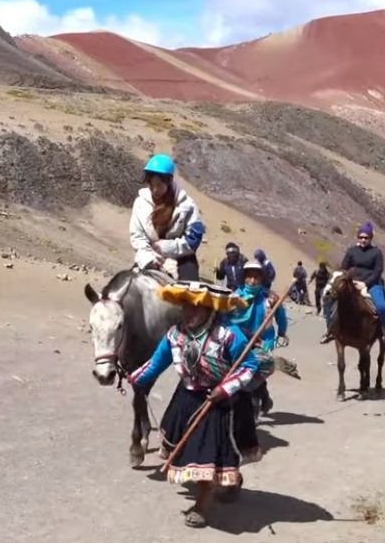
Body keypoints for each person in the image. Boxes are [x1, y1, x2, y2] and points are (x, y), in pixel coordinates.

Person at [127, 281, 260, 528]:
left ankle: (201, 505)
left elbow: (248, 366)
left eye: (197, 308)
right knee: (191, 449)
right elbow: (156, 363)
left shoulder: (229, 334)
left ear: (210, 309)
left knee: (206, 452)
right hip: (187, 398)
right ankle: (230, 480)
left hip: (221, 402)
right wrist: (134, 378)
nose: (189, 313)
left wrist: (224, 389)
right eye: (186, 307)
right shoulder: (175, 335)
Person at [227, 261, 288, 420]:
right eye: (249, 277)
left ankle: (253, 410)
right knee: (238, 372)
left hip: (263, 341)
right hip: (239, 340)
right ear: (244, 278)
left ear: (262, 279)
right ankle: (265, 398)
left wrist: (282, 332)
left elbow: (281, 316)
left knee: (256, 368)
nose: (253, 281)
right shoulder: (234, 297)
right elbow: (225, 319)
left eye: (256, 278)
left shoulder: (270, 298)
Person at [129, 154, 205, 281]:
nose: (155, 190)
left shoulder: (187, 205)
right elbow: (137, 236)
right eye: (151, 185)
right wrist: (148, 259)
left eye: (159, 185)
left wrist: (165, 247)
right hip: (150, 255)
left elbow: (194, 239)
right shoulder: (140, 203)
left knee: (191, 291)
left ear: (169, 181)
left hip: (183, 258)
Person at [340, 222, 385, 345]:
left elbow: (378, 271)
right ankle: (331, 330)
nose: (363, 240)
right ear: (357, 237)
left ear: (370, 238)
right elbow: (344, 268)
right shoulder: (351, 251)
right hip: (352, 282)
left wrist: (365, 284)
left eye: (366, 237)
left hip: (372, 284)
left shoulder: (376, 252)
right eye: (361, 237)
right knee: (331, 299)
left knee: (382, 307)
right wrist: (348, 280)